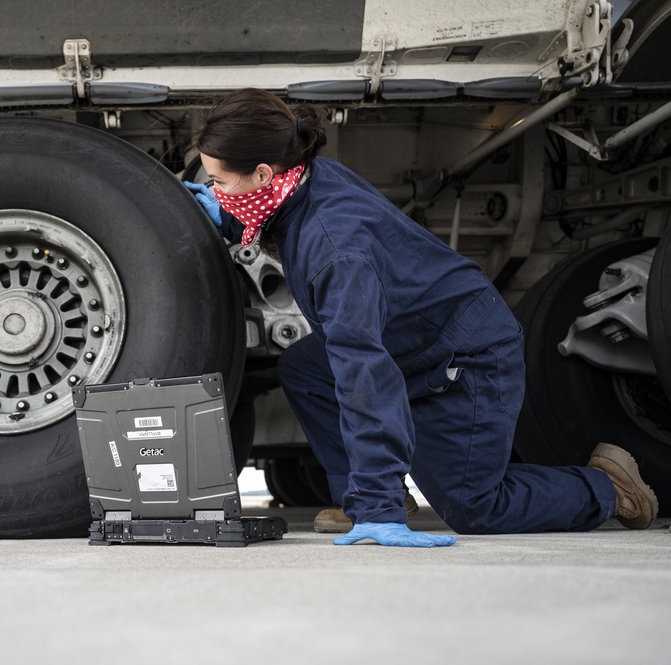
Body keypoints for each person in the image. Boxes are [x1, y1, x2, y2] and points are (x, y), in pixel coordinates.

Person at [185, 88, 659, 548]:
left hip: (465, 354)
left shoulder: (336, 250)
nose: (216, 191)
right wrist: (222, 215)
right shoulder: (305, 176)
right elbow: (267, 214)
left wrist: (379, 508)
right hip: (413, 340)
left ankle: (605, 487)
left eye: (220, 183)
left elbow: (364, 375)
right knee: (305, 368)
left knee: (475, 508)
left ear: (265, 174)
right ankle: (364, 494)